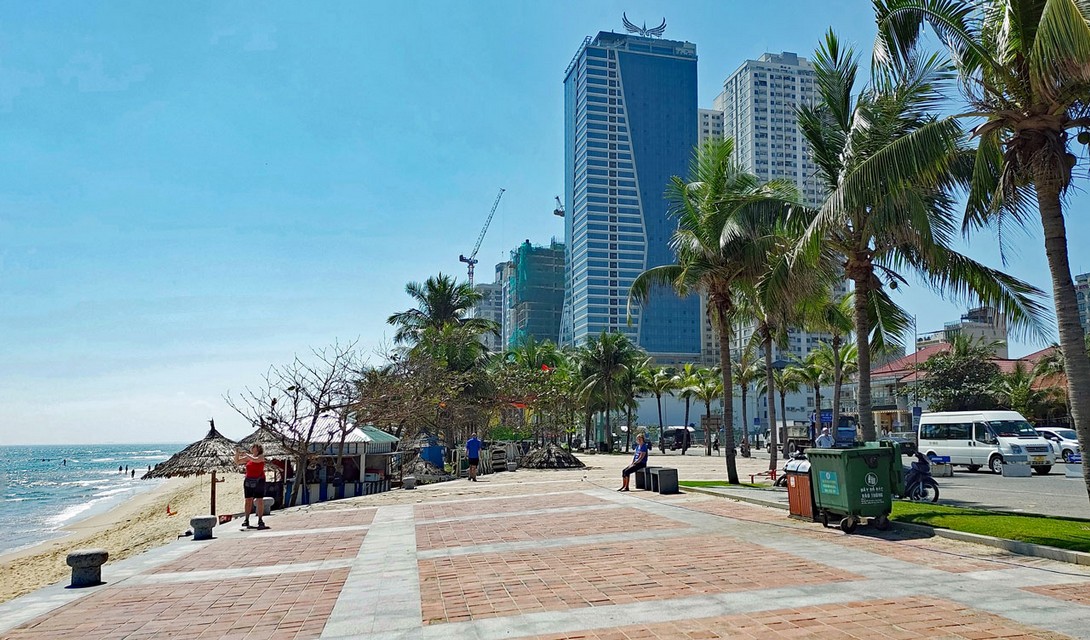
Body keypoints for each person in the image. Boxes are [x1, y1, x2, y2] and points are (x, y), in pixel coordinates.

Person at [235, 444, 267, 529]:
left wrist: (247, 455)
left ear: (258, 449)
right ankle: (246, 519)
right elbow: (237, 461)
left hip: (259, 480)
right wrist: (237, 453)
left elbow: (256, 460)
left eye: (254, 447)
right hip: (249, 480)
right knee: (248, 500)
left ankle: (260, 519)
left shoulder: (261, 456)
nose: (252, 448)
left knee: (259, 500)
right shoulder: (249, 457)